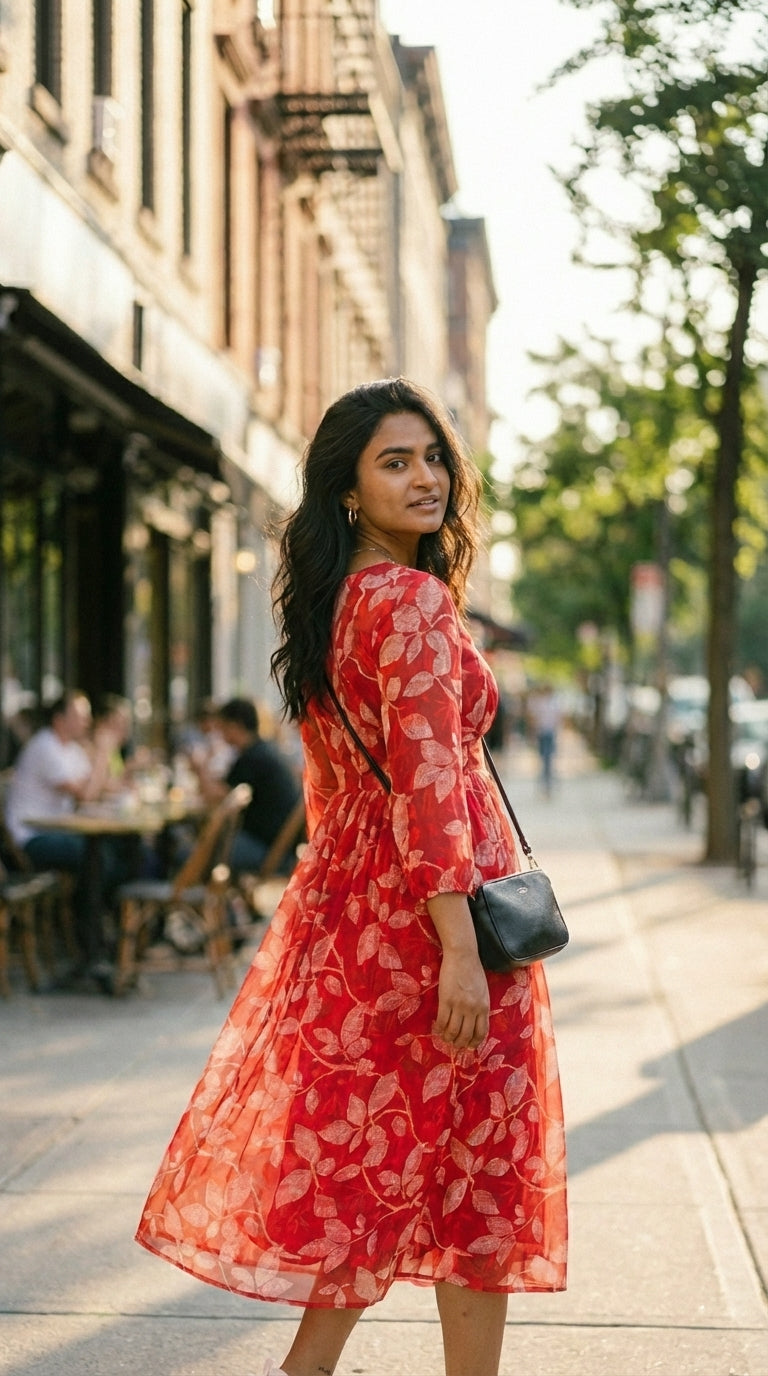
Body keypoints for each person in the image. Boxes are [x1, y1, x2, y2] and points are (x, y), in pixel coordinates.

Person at [135, 379, 567, 1376]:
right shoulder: (412, 603)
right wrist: (459, 949)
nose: (425, 477)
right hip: (446, 922)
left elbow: (335, 796)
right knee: (478, 1174)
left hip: (367, 914)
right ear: (348, 488)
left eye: (432, 457)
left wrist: (335, 919)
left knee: (363, 1164)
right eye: (394, 461)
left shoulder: (341, 601)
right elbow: (425, 785)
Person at [5, 690, 125, 978]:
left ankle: (96, 937)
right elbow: (86, 795)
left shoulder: (69, 749)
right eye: (80, 716)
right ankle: (90, 944)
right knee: (96, 859)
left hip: (57, 831)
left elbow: (101, 787)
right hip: (30, 838)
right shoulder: (45, 746)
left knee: (112, 855)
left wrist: (103, 761)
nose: (87, 722)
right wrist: (104, 752)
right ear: (60, 720)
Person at [190, 696, 302, 875]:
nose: (220, 734)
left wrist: (200, 767)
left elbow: (215, 795)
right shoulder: (262, 751)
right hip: (279, 847)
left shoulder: (253, 757)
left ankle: (196, 899)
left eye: (222, 727)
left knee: (192, 855)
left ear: (235, 726)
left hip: (267, 849)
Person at [528, 684, 561, 796]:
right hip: (543, 733)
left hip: (548, 733)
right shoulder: (543, 703)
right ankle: (545, 783)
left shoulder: (551, 702)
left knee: (547, 758)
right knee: (545, 758)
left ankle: (547, 784)